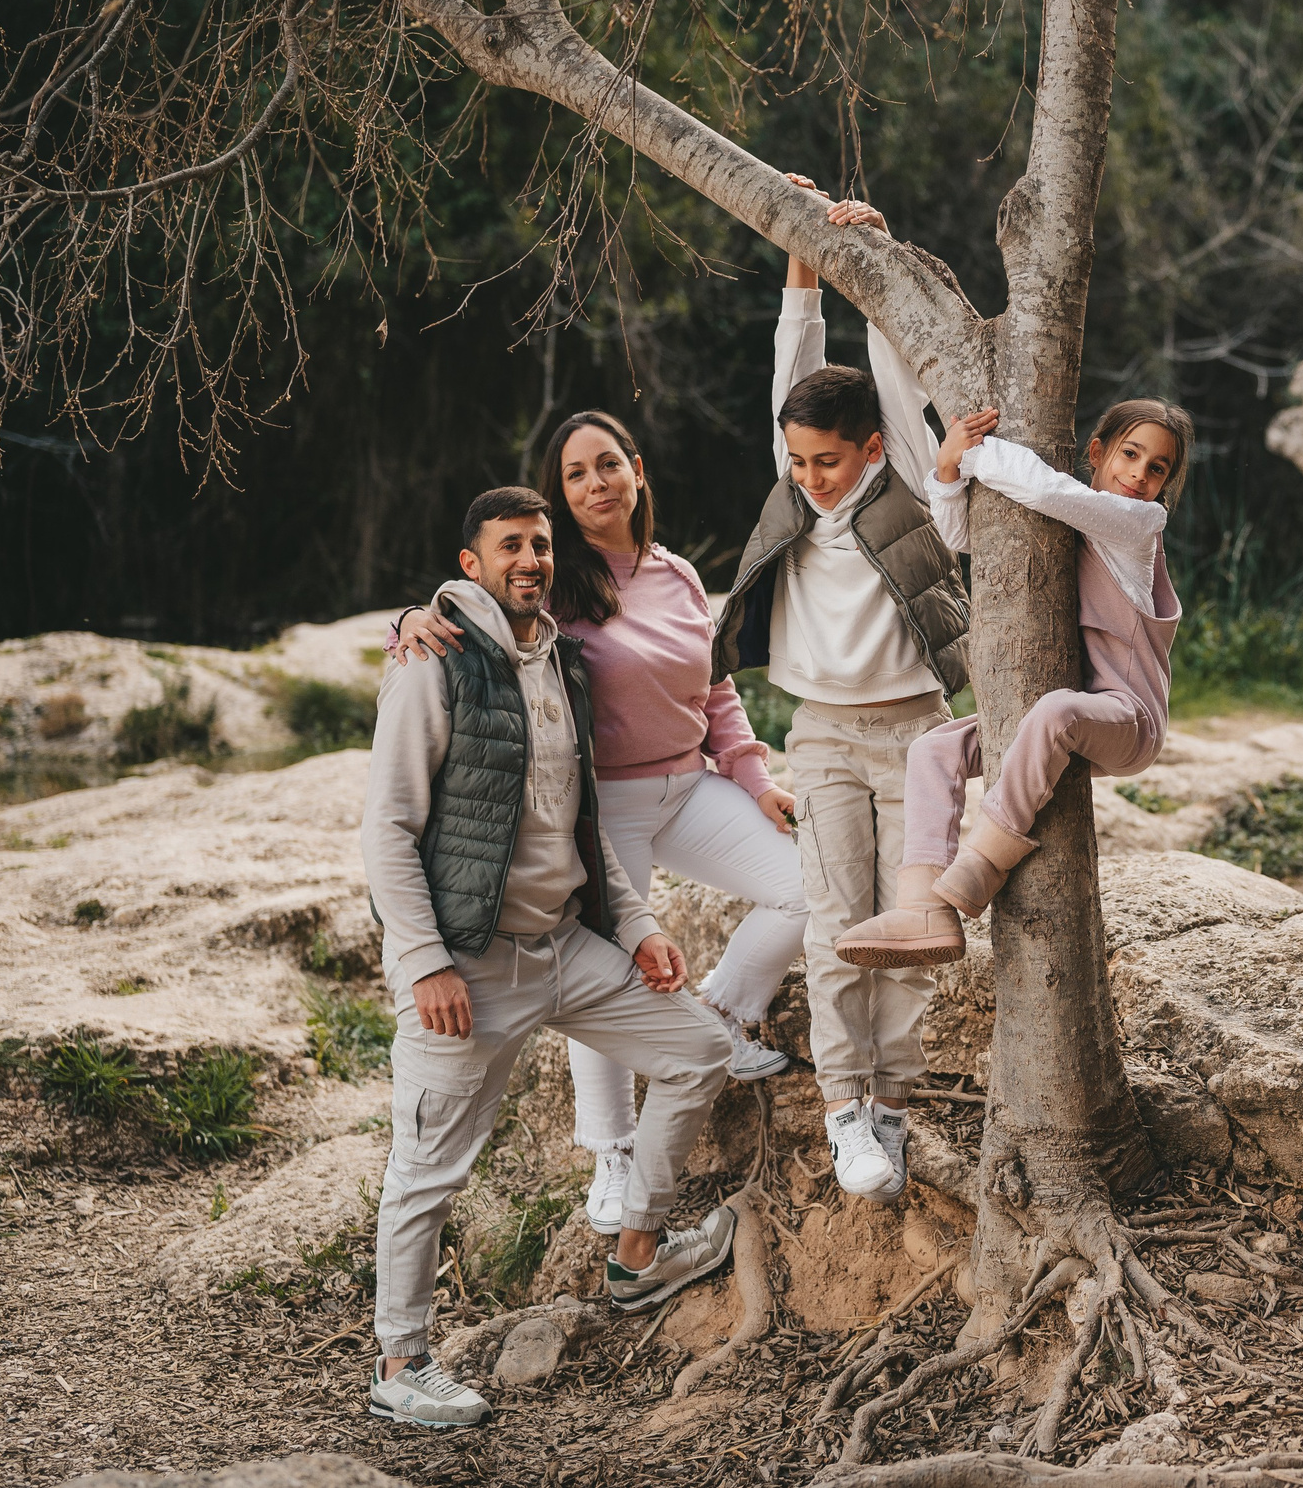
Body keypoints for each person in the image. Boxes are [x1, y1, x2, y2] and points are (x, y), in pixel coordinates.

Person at [361, 487, 739, 1430]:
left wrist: (639, 923)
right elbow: (388, 829)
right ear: (470, 565)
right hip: (467, 964)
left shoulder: (562, 663)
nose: (530, 559)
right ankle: (401, 1362)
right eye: (509, 547)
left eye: (540, 544)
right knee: (427, 1170)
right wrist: (423, 962)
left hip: (567, 946)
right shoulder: (430, 664)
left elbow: (585, 820)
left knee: (700, 1051)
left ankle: (638, 1253)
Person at [390, 410, 805, 1239]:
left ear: (637, 470)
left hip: (689, 787)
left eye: (607, 464)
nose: (595, 484)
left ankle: (721, 1010)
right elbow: (469, 606)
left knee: (807, 889)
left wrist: (753, 778)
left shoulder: (680, 573)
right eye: (575, 474)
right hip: (600, 806)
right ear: (559, 495)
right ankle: (611, 1152)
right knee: (613, 971)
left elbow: (716, 688)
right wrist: (407, 617)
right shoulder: (552, 581)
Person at [708, 176, 970, 1205]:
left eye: (826, 460)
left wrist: (881, 260)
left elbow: (899, 379)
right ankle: (843, 1109)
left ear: (867, 451)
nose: (810, 475)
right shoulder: (790, 493)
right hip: (816, 733)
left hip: (915, 732)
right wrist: (804, 260)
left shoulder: (902, 483)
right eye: (797, 459)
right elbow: (793, 360)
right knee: (831, 925)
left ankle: (892, 1112)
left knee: (899, 934)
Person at [833, 397, 1191, 966]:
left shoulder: (1139, 523)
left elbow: (1050, 492)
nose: (1140, 475)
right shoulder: (1080, 518)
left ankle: (982, 864)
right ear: (1096, 452)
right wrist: (948, 472)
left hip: (1129, 720)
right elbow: (968, 536)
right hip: (1072, 718)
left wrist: (979, 451)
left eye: (1158, 468)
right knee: (935, 748)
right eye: (1130, 454)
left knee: (1056, 711)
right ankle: (924, 907)